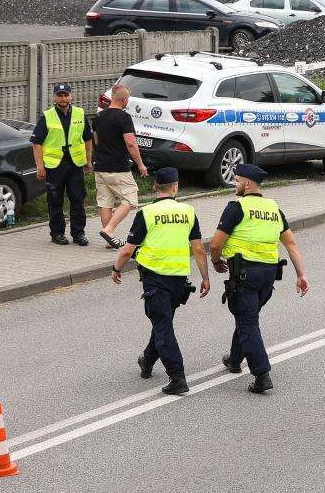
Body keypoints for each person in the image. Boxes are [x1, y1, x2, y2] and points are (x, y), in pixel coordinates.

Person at [108, 166, 211, 396]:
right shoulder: (188, 211)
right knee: (162, 322)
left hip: (156, 280)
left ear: (155, 188)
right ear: (176, 187)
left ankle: (177, 377)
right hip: (179, 281)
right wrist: (205, 277)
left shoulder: (146, 213)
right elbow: (198, 249)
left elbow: (127, 250)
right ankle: (147, 360)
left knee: (163, 328)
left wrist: (116, 269)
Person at [209, 164, 308, 395]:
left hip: (245, 275)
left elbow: (215, 244)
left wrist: (215, 261)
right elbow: (290, 243)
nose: (234, 184)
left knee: (248, 322)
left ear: (247, 184)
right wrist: (301, 274)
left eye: (236, 181)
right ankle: (234, 359)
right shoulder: (274, 208)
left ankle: (262, 374)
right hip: (268, 276)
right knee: (248, 316)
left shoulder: (236, 207)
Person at [30, 82, 94, 246]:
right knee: (55, 200)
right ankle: (57, 233)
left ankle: (78, 233)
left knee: (78, 199)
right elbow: (36, 143)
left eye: (66, 95)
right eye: (60, 95)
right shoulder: (47, 116)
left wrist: (88, 159)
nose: (63, 98)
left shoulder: (80, 113)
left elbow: (88, 138)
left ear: (71, 96)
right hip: (54, 166)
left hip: (75, 164)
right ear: (54, 97)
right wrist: (40, 166)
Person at [93, 84, 148, 248]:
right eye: (127, 99)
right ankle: (109, 230)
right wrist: (140, 164)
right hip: (118, 167)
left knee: (105, 203)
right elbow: (131, 143)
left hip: (100, 166)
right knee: (131, 200)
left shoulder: (98, 117)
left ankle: (110, 240)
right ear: (124, 99)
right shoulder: (124, 117)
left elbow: (96, 141)